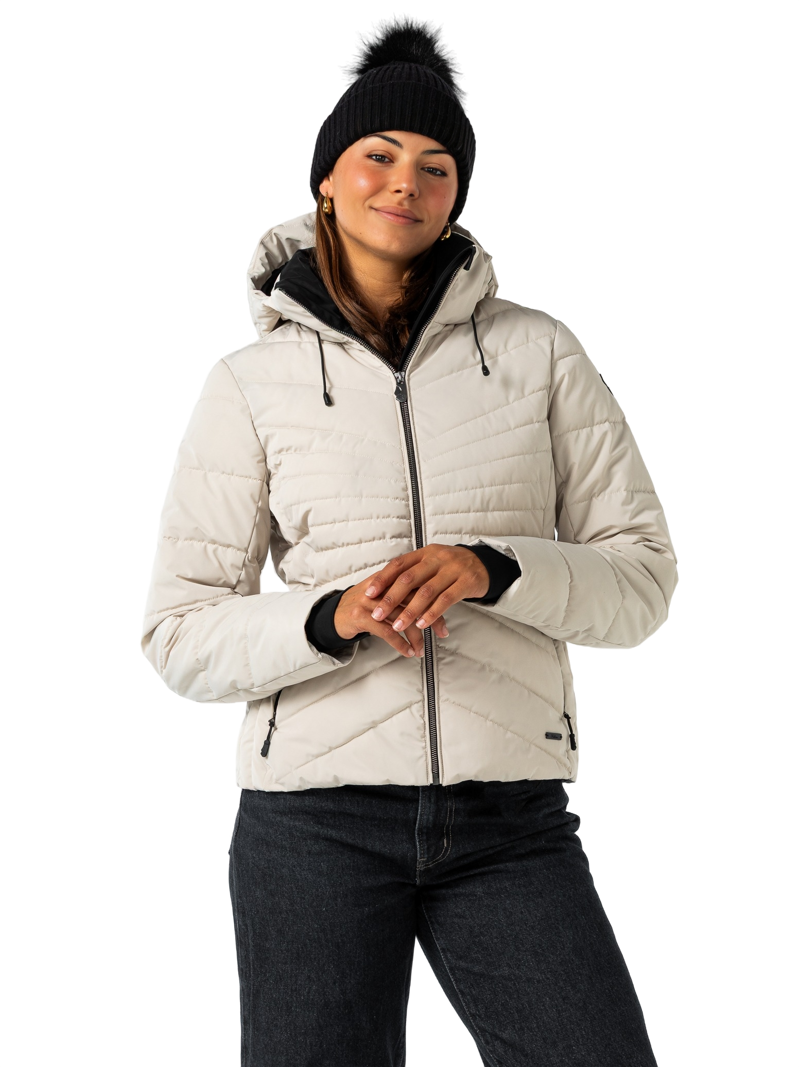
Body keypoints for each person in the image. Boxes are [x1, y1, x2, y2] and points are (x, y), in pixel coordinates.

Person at [140, 16, 676, 1067]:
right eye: (378, 155)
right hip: (313, 825)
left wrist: (497, 568)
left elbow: (643, 584)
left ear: (459, 195)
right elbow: (173, 643)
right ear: (326, 181)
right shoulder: (246, 388)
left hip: (511, 816)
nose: (406, 183)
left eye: (437, 166)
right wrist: (327, 616)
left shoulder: (541, 353)